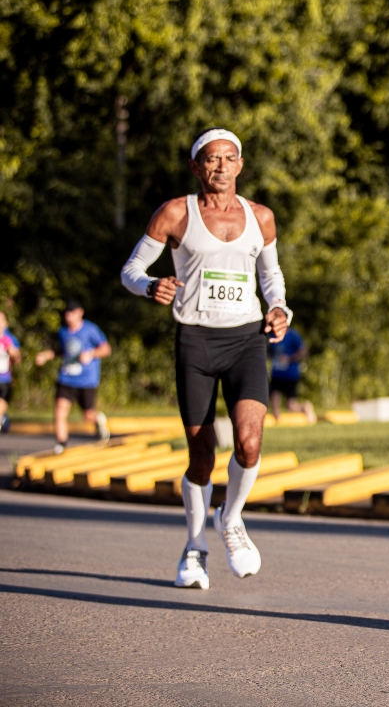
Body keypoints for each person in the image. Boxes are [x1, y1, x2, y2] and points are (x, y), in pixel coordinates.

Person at [121, 128, 292, 590]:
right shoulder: (176, 213)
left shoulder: (261, 217)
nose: (221, 166)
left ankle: (230, 519)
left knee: (249, 442)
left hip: (246, 339)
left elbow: (271, 275)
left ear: (240, 165)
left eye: (229, 158)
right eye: (211, 159)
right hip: (195, 341)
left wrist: (280, 308)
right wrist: (149, 285)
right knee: (201, 455)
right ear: (196, 167)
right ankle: (195, 546)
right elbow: (131, 269)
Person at [34, 301, 111, 452]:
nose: (68, 316)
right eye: (67, 313)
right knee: (60, 410)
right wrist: (46, 356)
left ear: (80, 313)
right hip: (67, 378)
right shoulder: (63, 332)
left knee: (88, 415)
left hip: (87, 380)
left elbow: (106, 349)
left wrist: (91, 354)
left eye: (72, 313)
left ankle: (97, 421)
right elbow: (62, 351)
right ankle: (61, 444)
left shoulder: (90, 329)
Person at [269, 326, 315, 423]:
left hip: (290, 375)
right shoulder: (272, 335)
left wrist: (289, 358)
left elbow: (304, 352)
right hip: (276, 374)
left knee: (291, 406)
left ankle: (305, 407)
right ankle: (278, 426)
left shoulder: (293, 335)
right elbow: (271, 352)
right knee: (274, 406)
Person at [0, 311, 21, 434]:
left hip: (3, 380)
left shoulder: (9, 339)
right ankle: (4, 420)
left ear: (5, 323)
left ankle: (3, 420)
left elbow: (17, 358)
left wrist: (13, 354)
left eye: (1, 320)